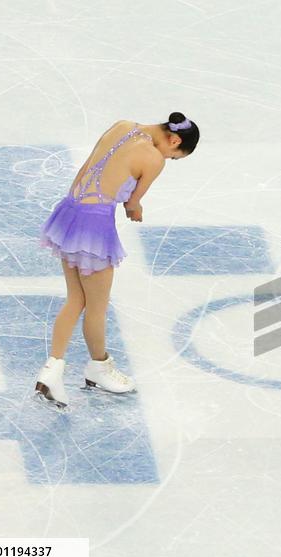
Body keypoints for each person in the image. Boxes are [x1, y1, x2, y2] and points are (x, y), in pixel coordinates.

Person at [32, 112, 200, 408]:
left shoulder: (123, 126)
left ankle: (53, 368)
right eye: (174, 156)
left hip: (69, 213)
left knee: (76, 299)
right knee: (96, 306)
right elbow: (131, 202)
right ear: (174, 140)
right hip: (93, 228)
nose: (169, 160)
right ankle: (99, 368)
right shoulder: (153, 159)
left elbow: (91, 168)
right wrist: (136, 210)